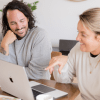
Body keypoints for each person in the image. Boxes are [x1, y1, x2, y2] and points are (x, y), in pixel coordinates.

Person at [45, 8, 100, 100]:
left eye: (83, 35)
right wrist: (61, 64)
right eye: (78, 32)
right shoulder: (78, 48)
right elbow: (64, 81)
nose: (77, 38)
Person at [0, 0, 52, 80]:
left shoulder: (40, 35)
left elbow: (36, 74)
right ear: (8, 23)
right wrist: (4, 44)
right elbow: (2, 70)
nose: (19, 27)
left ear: (28, 18)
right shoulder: (5, 37)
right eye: (13, 23)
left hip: (38, 84)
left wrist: (9, 72)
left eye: (22, 20)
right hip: (12, 85)